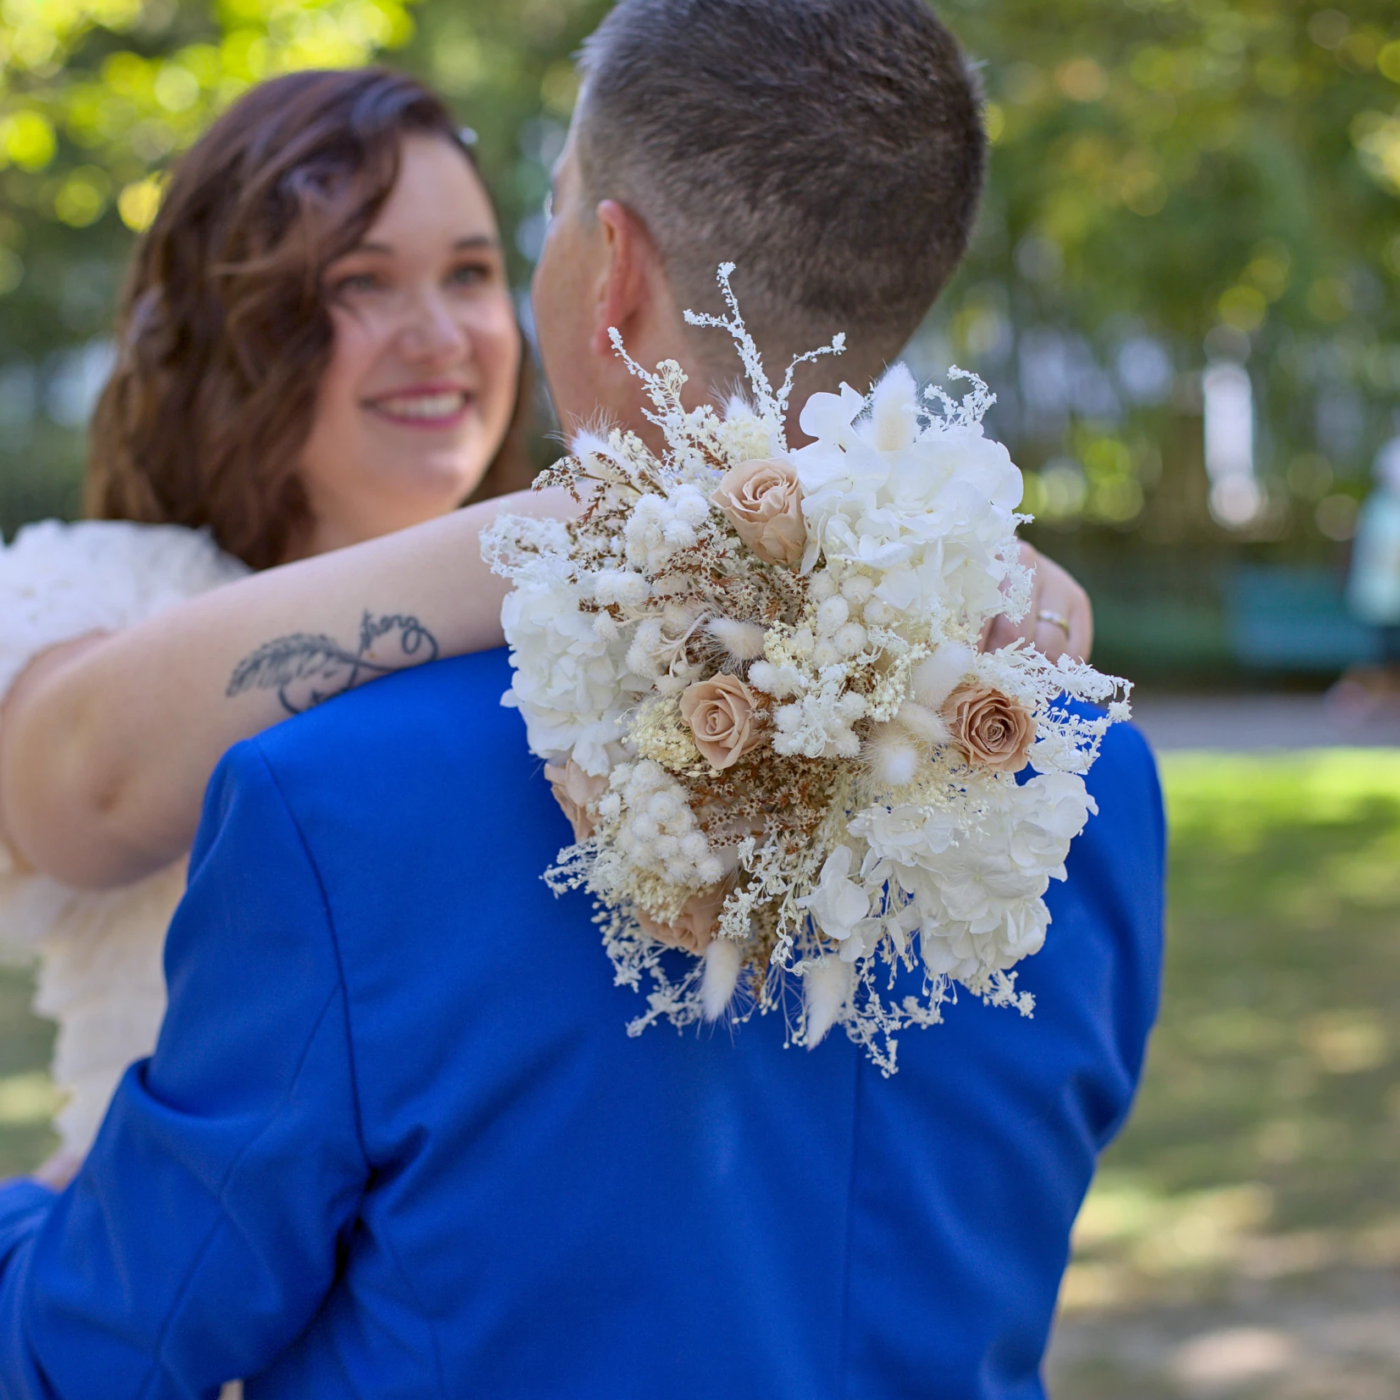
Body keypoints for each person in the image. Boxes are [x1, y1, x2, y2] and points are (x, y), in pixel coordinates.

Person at [0, 4, 1150, 1395]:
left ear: (608, 267)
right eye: (361, 281)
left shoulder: (328, 796)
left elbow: (104, 1337)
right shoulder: (1084, 770)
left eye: (516, 235)